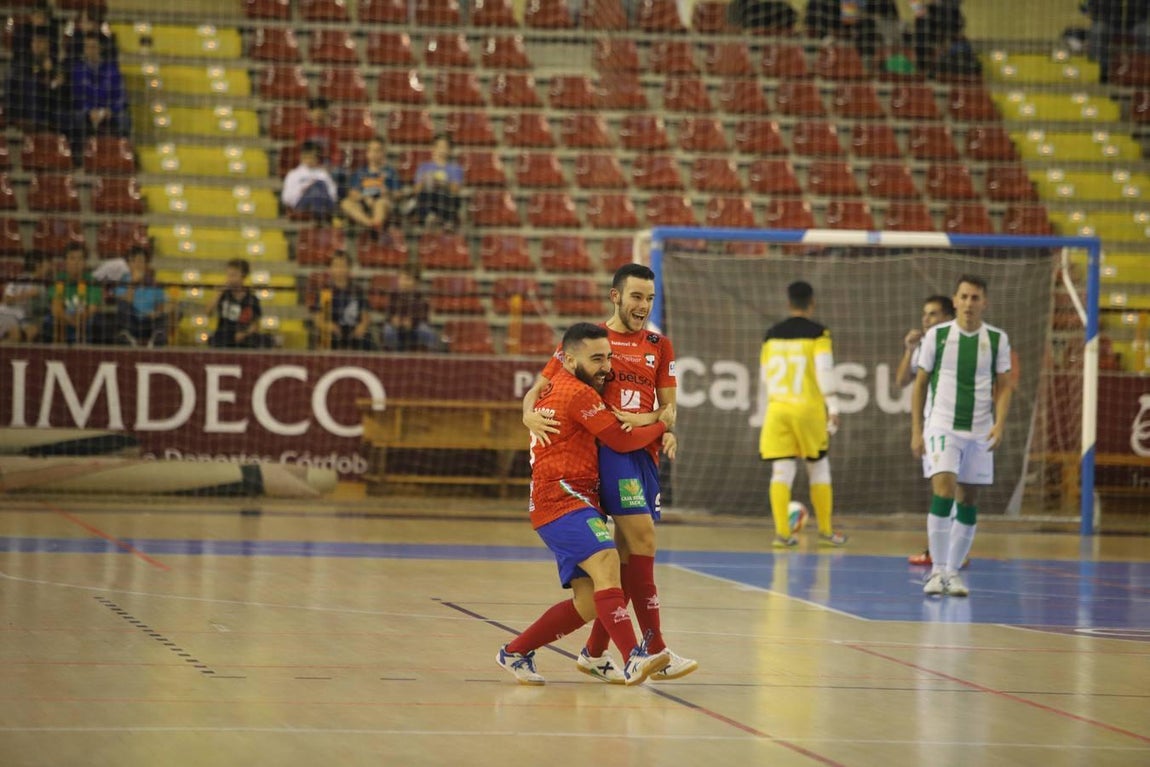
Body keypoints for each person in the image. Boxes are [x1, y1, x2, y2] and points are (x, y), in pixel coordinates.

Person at [522, 263, 697, 684]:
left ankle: (595, 651)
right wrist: (528, 412)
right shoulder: (593, 341)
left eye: (650, 298)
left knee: (621, 559)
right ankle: (654, 649)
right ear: (615, 296)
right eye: (636, 296)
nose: (643, 306)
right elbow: (542, 386)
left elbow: (669, 409)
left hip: (644, 451)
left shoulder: (660, 345)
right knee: (642, 541)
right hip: (611, 451)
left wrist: (657, 427)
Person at [497, 322, 673, 686]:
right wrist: (662, 422)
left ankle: (515, 651)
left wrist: (527, 405)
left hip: (570, 500)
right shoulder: (578, 394)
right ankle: (633, 658)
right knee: (609, 560)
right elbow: (622, 443)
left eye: (608, 357)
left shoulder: (557, 383)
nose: (606, 366)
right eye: (596, 359)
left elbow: (538, 390)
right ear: (568, 357)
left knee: (591, 603)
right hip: (562, 499)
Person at [912, 275, 1014, 598]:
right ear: (954, 301)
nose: (969, 303)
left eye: (975, 298)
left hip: (980, 429)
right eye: (964, 297)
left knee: (968, 499)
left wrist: (999, 424)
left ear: (985, 302)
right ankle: (937, 570)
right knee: (943, 487)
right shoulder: (937, 337)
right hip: (942, 425)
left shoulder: (997, 340)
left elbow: (1005, 385)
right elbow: (919, 384)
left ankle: (953, 572)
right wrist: (917, 429)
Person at [759, 281, 848, 548]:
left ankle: (782, 534)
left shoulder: (771, 335)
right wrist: (832, 406)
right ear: (812, 303)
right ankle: (826, 531)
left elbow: (764, 378)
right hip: (808, 409)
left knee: (781, 472)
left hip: (777, 409)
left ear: (788, 303)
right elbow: (824, 370)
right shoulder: (819, 333)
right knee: (819, 467)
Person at [896, 295, 970, 568]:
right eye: (925, 314)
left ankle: (950, 551)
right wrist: (908, 350)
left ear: (949, 317)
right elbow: (903, 380)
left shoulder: (960, 344)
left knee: (955, 490)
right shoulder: (926, 345)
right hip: (935, 426)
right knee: (944, 489)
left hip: (959, 426)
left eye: (934, 314)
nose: (926, 320)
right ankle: (949, 550)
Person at [70, 32, 129, 159]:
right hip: (88, 112)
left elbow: (121, 96)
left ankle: (122, 154)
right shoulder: (78, 70)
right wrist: (89, 110)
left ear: (100, 48)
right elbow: (76, 96)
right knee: (75, 117)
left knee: (124, 118)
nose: (90, 50)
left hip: (109, 111)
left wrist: (111, 110)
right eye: (87, 46)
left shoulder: (112, 70)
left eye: (93, 46)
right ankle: (80, 156)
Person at [44, 242, 114, 344]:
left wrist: (79, 318)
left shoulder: (92, 281)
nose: (76, 262)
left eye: (80, 259)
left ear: (84, 262)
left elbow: (92, 308)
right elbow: (56, 307)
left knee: (97, 323)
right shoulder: (59, 281)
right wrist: (68, 318)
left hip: (84, 317)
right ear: (65, 261)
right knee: (50, 321)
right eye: (72, 258)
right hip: (65, 317)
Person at [309, 250, 374, 351]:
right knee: (323, 339)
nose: (339, 270)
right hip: (334, 331)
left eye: (343, 266)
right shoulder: (326, 291)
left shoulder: (357, 290)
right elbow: (318, 318)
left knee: (367, 339)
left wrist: (361, 326)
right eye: (336, 266)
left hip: (354, 332)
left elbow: (366, 316)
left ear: (349, 268)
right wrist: (328, 326)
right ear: (330, 269)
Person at [208, 258, 273, 348]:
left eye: (233, 275)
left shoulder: (251, 299)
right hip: (224, 334)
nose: (230, 278)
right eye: (228, 275)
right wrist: (220, 292)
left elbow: (255, 326)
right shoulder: (223, 295)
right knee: (216, 338)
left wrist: (244, 334)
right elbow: (208, 312)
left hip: (244, 335)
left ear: (243, 276)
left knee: (266, 340)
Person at [340, 136, 401, 231]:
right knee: (345, 203)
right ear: (367, 153)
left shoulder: (390, 172)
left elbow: (397, 194)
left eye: (378, 151)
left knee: (380, 204)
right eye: (371, 150)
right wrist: (364, 198)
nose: (374, 154)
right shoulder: (360, 172)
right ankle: (371, 224)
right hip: (363, 202)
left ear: (383, 153)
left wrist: (388, 192)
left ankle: (376, 224)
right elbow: (352, 193)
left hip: (383, 202)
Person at [114, 246, 168, 347]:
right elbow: (126, 302)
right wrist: (133, 283)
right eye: (134, 261)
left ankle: (156, 339)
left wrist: (155, 313)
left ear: (146, 264)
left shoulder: (154, 283)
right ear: (129, 264)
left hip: (149, 322)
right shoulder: (122, 282)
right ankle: (127, 337)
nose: (138, 265)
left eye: (141, 261)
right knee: (122, 306)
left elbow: (161, 307)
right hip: (132, 322)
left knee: (163, 316)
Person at [381, 265, 439, 352]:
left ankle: (432, 358)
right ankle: (392, 357)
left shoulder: (421, 296)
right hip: (397, 325)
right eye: (401, 279)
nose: (403, 282)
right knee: (388, 331)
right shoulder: (393, 295)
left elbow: (424, 317)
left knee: (428, 333)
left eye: (407, 279)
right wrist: (393, 320)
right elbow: (388, 313)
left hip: (415, 326)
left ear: (416, 282)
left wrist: (413, 322)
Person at [0, 252, 53, 343]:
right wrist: (27, 294)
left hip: (23, 318)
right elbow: (6, 299)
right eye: (47, 264)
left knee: (32, 331)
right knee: (15, 334)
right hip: (7, 314)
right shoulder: (18, 280)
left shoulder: (41, 285)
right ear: (37, 265)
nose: (50, 267)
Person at [413, 134, 463, 230]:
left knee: (454, 199)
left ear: (449, 150)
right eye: (439, 146)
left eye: (445, 147)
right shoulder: (424, 167)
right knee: (424, 196)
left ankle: (444, 221)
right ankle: (430, 218)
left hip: (445, 198)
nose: (442, 150)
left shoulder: (455, 168)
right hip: (429, 196)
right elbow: (416, 190)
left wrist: (443, 183)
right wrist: (426, 180)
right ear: (433, 148)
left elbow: (456, 190)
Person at [281, 141, 338, 220]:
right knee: (316, 186)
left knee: (319, 184)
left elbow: (333, 194)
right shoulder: (293, 174)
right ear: (302, 157)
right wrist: (304, 189)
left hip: (324, 202)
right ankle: (324, 218)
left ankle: (319, 215)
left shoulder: (323, 174)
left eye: (314, 157)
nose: (311, 160)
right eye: (308, 156)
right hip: (302, 204)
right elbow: (286, 198)